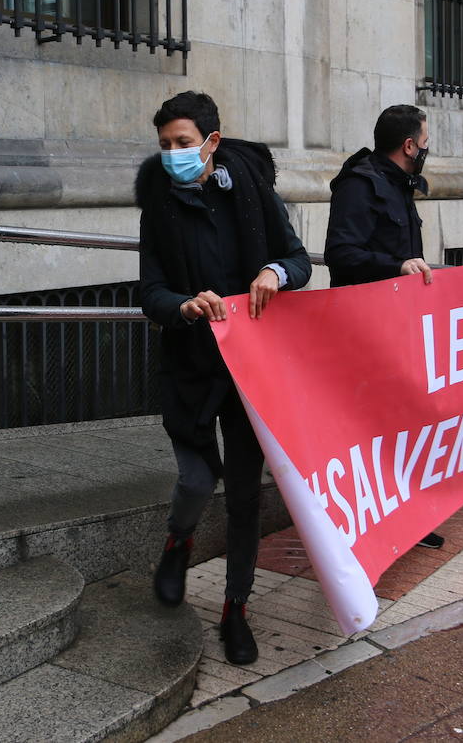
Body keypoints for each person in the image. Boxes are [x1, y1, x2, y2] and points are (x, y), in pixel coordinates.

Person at [137, 91, 311, 665]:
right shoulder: (159, 204)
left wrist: (274, 271)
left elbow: (299, 258)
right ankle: (177, 541)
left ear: (211, 141)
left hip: (249, 371)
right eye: (164, 146)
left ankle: (236, 607)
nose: (172, 155)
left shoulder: (253, 195)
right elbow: (150, 291)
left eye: (182, 144)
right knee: (194, 478)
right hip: (189, 364)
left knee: (242, 493)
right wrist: (184, 305)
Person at [324, 104, 444, 551]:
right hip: (363, 332)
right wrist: (396, 266)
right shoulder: (361, 185)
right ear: (410, 145)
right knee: (369, 432)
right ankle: (365, 527)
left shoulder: (399, 185)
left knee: (403, 426)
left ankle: (408, 518)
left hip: (399, 329)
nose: (428, 149)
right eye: (426, 141)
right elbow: (341, 254)